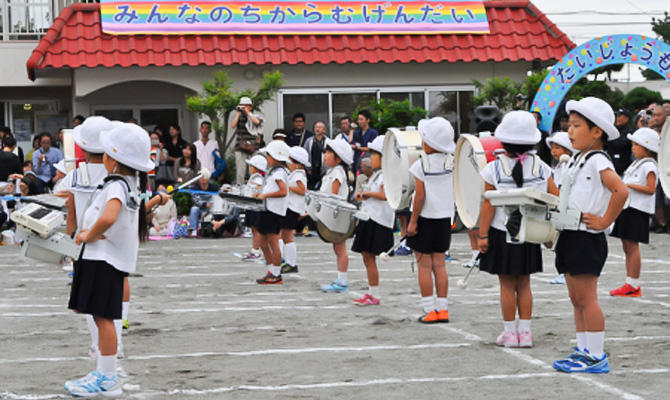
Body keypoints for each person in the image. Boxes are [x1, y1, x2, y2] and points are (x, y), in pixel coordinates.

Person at [64, 122, 153, 397]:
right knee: (103, 317)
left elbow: (109, 216)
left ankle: (107, 377)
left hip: (102, 258)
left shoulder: (116, 185)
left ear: (112, 158)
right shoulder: (131, 183)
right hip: (108, 259)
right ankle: (104, 372)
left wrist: (89, 233)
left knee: (103, 319)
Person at [552, 97, 628, 374]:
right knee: (576, 298)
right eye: (569, 125)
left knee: (587, 298)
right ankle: (583, 349)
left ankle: (596, 355)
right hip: (571, 235)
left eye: (576, 125)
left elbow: (621, 191)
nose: (570, 131)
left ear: (597, 132)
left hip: (587, 237)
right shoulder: (577, 159)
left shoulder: (597, 160)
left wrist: (606, 220)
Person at [478, 111, 559, 346]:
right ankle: (526, 333)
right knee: (524, 283)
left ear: (502, 140)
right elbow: (555, 197)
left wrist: (482, 235)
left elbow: (487, 204)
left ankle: (509, 333)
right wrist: (549, 230)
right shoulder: (542, 166)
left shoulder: (493, 168)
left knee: (506, 284)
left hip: (501, 232)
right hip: (530, 232)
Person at [64, 117, 121, 359]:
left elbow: (69, 208)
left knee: (91, 304)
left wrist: (69, 240)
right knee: (113, 299)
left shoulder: (77, 175)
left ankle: (98, 346)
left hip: (85, 243)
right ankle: (117, 345)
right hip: (115, 244)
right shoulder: (119, 177)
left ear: (84, 148)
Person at [405, 117, 455, 323]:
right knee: (440, 265)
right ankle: (442, 309)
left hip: (425, 218)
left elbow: (420, 196)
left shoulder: (420, 164)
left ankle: (429, 309)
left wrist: (413, 221)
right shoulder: (452, 162)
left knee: (424, 266)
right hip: (444, 219)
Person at [610, 128, 658, 297]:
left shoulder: (650, 165)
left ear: (647, 147)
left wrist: (628, 186)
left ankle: (633, 284)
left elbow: (651, 189)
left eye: (637, 145)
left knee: (632, 247)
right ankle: (629, 282)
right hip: (629, 207)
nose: (633, 148)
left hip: (637, 210)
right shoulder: (638, 163)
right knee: (627, 246)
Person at [351, 136, 394, 305]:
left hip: (378, 220)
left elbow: (385, 196)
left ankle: (374, 295)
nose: (370, 158)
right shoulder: (377, 175)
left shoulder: (385, 175)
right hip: (370, 218)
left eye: (373, 154)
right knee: (366, 257)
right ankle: (372, 292)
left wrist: (366, 194)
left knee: (369, 257)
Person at [319, 137, 354, 293]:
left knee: (340, 249)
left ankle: (343, 281)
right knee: (338, 248)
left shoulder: (338, 172)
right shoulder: (331, 171)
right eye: (325, 152)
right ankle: (341, 279)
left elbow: (333, 195)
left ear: (338, 158)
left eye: (328, 153)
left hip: (338, 215)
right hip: (333, 215)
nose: (325, 156)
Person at [255, 141, 290, 284]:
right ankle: (271, 270)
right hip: (267, 209)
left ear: (276, 157)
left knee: (273, 242)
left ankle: (276, 274)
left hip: (273, 212)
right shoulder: (274, 171)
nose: (267, 158)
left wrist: (265, 196)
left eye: (268, 155)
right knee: (263, 242)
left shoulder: (279, 172)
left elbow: (283, 191)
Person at [545, 131, 574, 285]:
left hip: (567, 210)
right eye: (553, 148)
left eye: (558, 148)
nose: (554, 151)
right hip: (557, 209)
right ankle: (562, 272)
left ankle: (566, 272)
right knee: (558, 243)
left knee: (564, 243)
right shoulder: (557, 167)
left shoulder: (569, 167)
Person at [279, 146, 309, 274]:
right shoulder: (295, 174)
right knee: (285, 235)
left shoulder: (298, 175)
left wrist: (289, 188)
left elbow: (302, 190)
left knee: (285, 235)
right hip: (290, 207)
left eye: (290, 162)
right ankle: (287, 262)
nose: (288, 165)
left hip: (292, 208)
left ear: (298, 163)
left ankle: (289, 263)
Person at [240, 154, 267, 261]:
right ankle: (254, 250)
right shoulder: (254, 177)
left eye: (251, 166)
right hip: (251, 206)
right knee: (254, 230)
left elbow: (259, 189)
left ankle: (256, 251)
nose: (249, 168)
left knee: (257, 230)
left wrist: (255, 193)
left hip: (256, 207)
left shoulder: (258, 178)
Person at [231, 97, 264, 184]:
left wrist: (248, 113)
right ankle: (239, 190)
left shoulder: (256, 116)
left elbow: (257, 122)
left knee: (253, 171)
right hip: (240, 147)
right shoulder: (239, 117)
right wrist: (238, 113)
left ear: (250, 107)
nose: (244, 107)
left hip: (253, 147)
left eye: (246, 106)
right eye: (242, 105)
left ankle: (254, 189)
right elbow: (233, 125)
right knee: (240, 172)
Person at [607, 108, 633, 176]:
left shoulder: (629, 132)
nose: (617, 118)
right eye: (617, 116)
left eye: (620, 116)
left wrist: (608, 139)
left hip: (621, 169)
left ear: (626, 118)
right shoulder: (614, 129)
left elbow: (619, 144)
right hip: (610, 166)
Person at [302, 121, 328, 189]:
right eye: (316, 127)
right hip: (311, 171)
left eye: (319, 127)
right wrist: (308, 168)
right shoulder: (309, 141)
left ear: (324, 130)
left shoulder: (328, 142)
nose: (317, 129)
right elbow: (304, 155)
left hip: (324, 171)